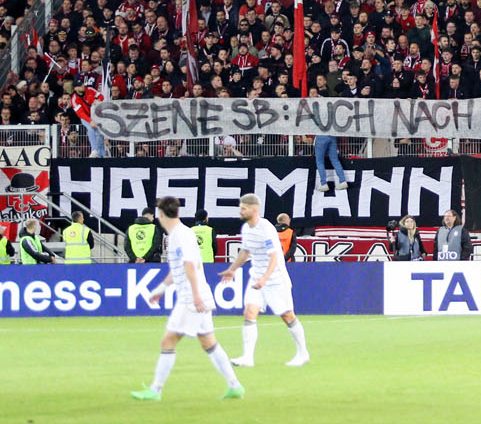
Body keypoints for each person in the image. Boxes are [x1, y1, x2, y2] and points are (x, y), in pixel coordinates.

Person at [130, 196, 245, 401]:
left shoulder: (178, 236)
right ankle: (235, 385)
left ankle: (155, 390)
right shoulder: (184, 233)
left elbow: (189, 267)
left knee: (169, 340)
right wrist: (161, 289)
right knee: (209, 343)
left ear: (160, 214)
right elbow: (180, 268)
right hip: (198, 294)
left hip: (191, 299)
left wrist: (195, 296)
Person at [218, 194, 309, 368]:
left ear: (254, 209)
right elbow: (245, 252)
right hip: (256, 277)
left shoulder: (265, 228)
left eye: (244, 208)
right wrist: (232, 269)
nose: (240, 211)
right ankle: (247, 357)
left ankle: (303, 352)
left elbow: (274, 256)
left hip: (275, 278)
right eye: (241, 207)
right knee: (249, 313)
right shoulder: (246, 229)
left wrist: (265, 279)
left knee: (287, 316)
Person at [70, 83, 109, 158]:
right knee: (91, 129)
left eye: (82, 84)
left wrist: (97, 101)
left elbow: (101, 96)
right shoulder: (74, 99)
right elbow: (80, 113)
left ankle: (102, 154)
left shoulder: (90, 89)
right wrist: (90, 121)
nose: (82, 86)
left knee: (99, 133)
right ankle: (94, 150)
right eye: (79, 85)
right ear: (75, 88)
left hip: (96, 115)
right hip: (85, 117)